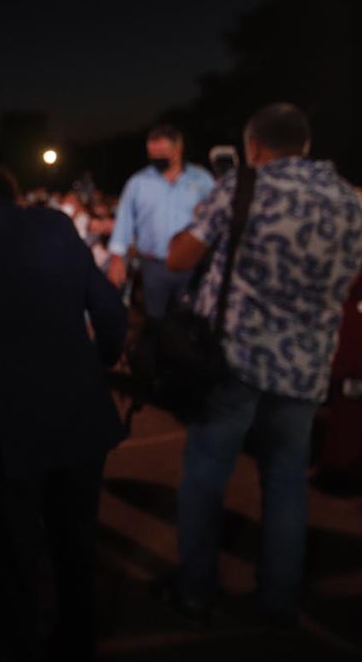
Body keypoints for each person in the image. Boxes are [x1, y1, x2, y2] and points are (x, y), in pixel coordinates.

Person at [0, 159, 128, 661]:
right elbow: (109, 310)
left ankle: (18, 645)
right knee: (76, 544)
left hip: (6, 424)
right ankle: (79, 640)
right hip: (80, 410)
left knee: (14, 554)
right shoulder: (56, 225)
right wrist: (95, 365)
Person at [165, 102, 362, 627]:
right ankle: (278, 598)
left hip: (236, 359)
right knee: (286, 481)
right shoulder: (349, 199)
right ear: (306, 144)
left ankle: (196, 591)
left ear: (254, 147)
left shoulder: (244, 188)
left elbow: (180, 256)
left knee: (206, 474)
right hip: (307, 365)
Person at [107, 124, 214, 320]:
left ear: (178, 149)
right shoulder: (138, 183)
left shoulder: (202, 180)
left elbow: (217, 218)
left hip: (193, 266)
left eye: (162, 152)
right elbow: (124, 221)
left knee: (192, 321)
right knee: (155, 322)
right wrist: (117, 260)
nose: (157, 158)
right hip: (154, 266)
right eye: (152, 153)